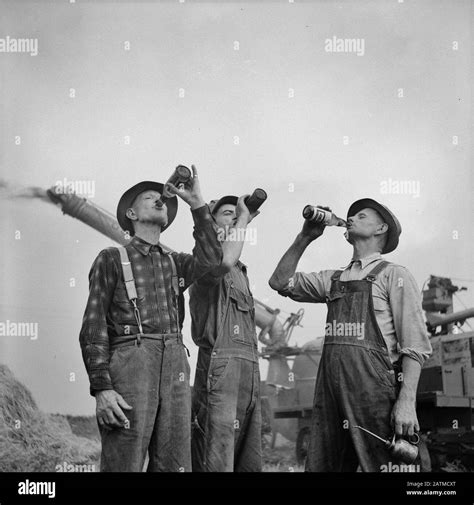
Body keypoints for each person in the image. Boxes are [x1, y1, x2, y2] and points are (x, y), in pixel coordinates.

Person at [268, 198, 432, 472]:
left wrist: (406, 402)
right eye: (351, 216)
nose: (352, 218)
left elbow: (414, 347)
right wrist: (305, 236)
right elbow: (280, 282)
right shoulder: (332, 279)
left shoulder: (394, 275)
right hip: (330, 396)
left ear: (381, 228)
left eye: (362, 216)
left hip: (375, 395)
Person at [79, 166, 222, 472]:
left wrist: (197, 203)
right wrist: (102, 389)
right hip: (130, 363)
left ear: (168, 219)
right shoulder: (111, 258)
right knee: (124, 461)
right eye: (149, 197)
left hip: (174, 364)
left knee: (175, 463)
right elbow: (93, 327)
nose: (159, 200)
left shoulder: (177, 263)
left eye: (163, 199)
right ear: (131, 213)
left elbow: (212, 261)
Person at [189, 195, 262, 472]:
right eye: (227, 213)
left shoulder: (241, 272)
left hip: (248, 374)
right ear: (211, 222)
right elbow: (221, 262)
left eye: (237, 213)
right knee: (216, 461)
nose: (234, 216)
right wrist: (244, 218)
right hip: (218, 373)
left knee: (248, 462)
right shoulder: (204, 261)